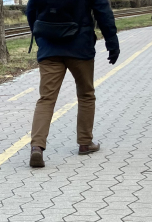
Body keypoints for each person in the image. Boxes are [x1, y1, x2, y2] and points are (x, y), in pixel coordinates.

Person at [26, 0, 119, 168]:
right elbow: (103, 12)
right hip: (80, 47)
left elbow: (31, 10)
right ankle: (85, 143)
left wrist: (40, 36)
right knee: (86, 95)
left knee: (46, 99)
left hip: (49, 48)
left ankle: (36, 147)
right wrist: (112, 43)